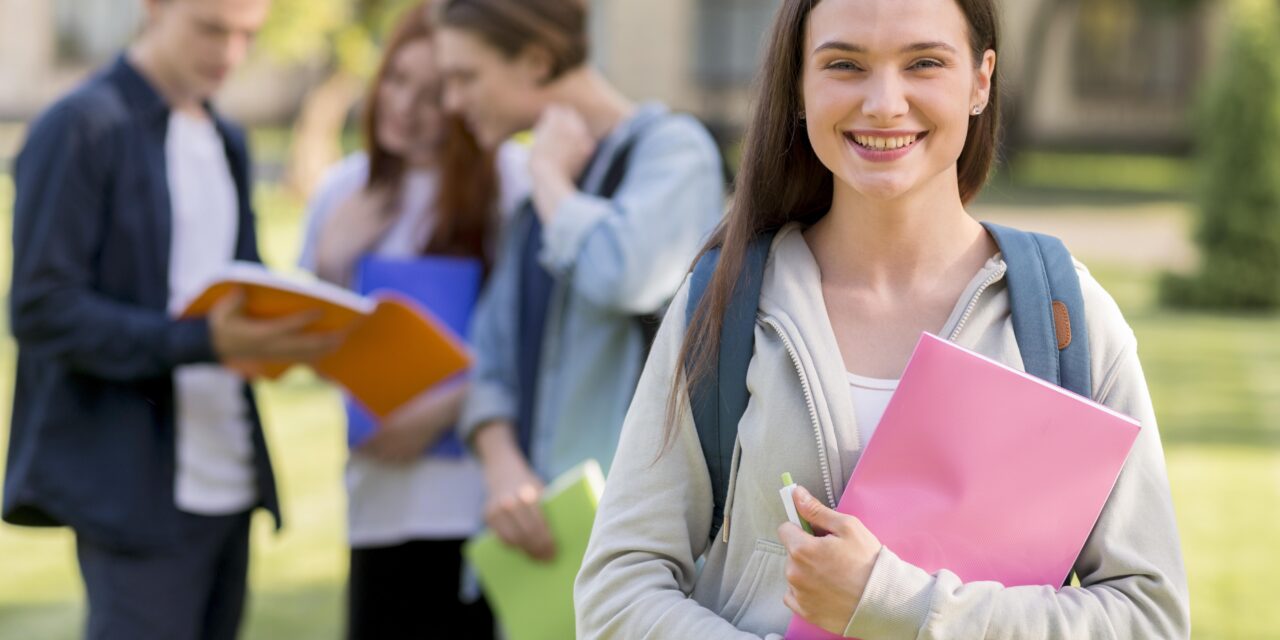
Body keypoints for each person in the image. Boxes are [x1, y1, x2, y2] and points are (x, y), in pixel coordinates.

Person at [574, 0, 1191, 637]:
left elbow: (1149, 617)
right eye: (845, 64)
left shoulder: (1066, 318)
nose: (884, 103)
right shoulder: (725, 302)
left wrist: (894, 603)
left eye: (924, 62)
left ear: (981, 81)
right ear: (799, 86)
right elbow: (619, 586)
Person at [3, 0, 341, 638]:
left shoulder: (228, 139)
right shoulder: (78, 127)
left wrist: (287, 332)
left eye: (247, 36)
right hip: (132, 486)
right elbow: (41, 309)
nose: (230, 55)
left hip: (230, 474)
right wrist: (202, 342)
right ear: (154, 9)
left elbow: (238, 283)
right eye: (211, 29)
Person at [434, 0, 725, 563]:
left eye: (465, 77)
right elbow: (488, 359)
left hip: (639, 553)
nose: (452, 102)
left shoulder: (673, 150)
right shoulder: (539, 198)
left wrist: (548, 178)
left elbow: (627, 275)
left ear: (538, 60)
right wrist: (502, 466)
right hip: (537, 547)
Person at [297, 3, 528, 638]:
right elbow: (306, 349)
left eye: (433, 94)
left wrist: (442, 409)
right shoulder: (343, 190)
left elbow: (532, 341)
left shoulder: (511, 184)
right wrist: (330, 260)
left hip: (482, 498)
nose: (405, 106)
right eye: (396, 80)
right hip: (379, 496)